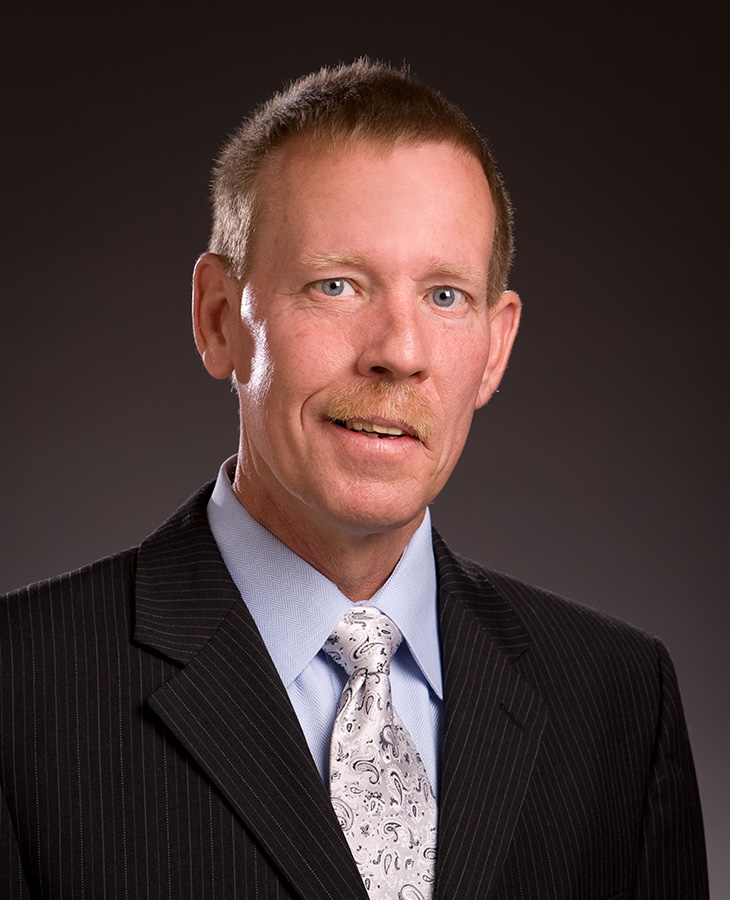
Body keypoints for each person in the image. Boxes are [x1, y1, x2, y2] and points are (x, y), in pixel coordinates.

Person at [0, 60, 707, 899]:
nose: (399, 353)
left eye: (445, 296)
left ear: (496, 346)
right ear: (219, 318)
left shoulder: (621, 704)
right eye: (336, 285)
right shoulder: (21, 693)